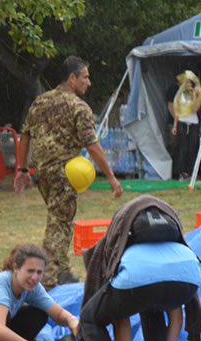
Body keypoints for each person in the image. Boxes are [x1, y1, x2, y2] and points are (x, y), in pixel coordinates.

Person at [79, 195, 201, 341]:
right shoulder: (177, 249)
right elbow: (176, 317)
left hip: (135, 282)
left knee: (90, 318)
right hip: (188, 280)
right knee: (153, 307)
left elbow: (120, 319)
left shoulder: (122, 248)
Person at [14, 56, 124, 288]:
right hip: (64, 174)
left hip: (42, 172)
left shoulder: (40, 102)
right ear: (72, 78)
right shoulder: (79, 107)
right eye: (85, 77)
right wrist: (112, 178)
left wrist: (24, 169)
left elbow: (25, 135)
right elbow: (92, 146)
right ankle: (51, 276)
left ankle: (63, 271)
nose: (89, 82)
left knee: (59, 219)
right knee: (59, 224)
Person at [169, 69, 201, 180]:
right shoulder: (180, 94)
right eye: (187, 82)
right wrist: (175, 125)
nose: (189, 84)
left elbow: (195, 108)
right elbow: (177, 110)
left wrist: (194, 95)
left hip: (193, 123)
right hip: (182, 122)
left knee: (192, 147)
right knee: (182, 148)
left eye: (191, 83)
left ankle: (192, 172)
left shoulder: (199, 94)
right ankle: (181, 172)